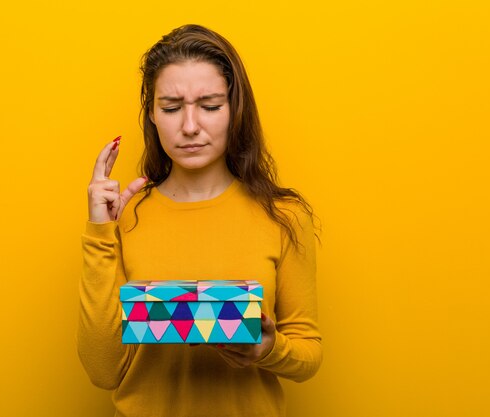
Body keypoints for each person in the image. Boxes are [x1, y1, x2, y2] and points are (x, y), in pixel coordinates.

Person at [78, 24, 322, 417]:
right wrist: (100, 232)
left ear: (235, 109)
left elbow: (308, 352)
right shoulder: (125, 217)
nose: (190, 126)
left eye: (210, 106)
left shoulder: (283, 217)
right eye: (171, 108)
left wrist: (268, 349)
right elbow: (104, 371)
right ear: (153, 116)